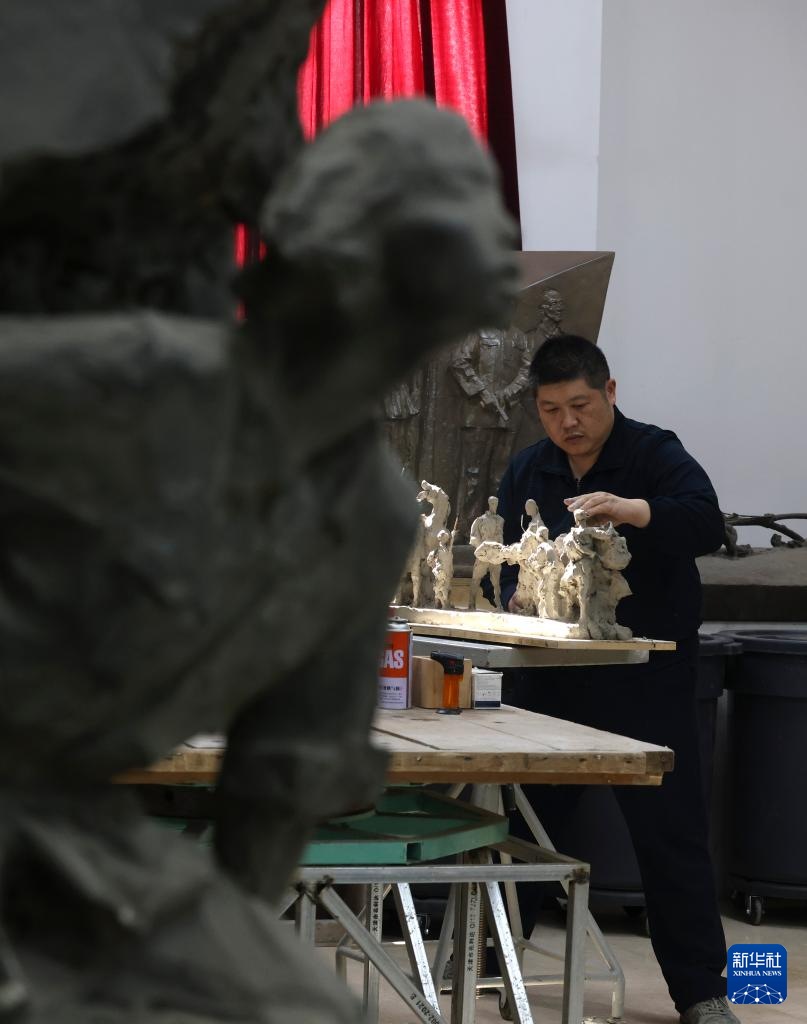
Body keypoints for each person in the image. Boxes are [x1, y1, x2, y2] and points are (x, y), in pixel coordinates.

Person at [496, 335, 738, 1024]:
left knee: (670, 833)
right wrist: (517, 596)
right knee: (527, 827)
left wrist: (635, 510)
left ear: (609, 391)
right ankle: (495, 969)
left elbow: (705, 521)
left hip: (646, 676)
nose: (567, 422)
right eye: (551, 410)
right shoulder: (529, 468)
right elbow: (512, 558)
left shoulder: (653, 452)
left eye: (579, 405)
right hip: (550, 678)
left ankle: (702, 992)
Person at [468, 496, 505, 609]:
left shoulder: (500, 520)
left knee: (496, 580)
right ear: (489, 503)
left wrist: (502, 550)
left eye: (496, 503)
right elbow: (473, 537)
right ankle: (471, 602)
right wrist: (481, 547)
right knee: (476, 577)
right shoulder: (480, 520)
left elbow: (500, 536)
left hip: (495, 552)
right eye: (492, 503)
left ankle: (498, 602)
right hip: (484, 550)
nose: (494, 505)